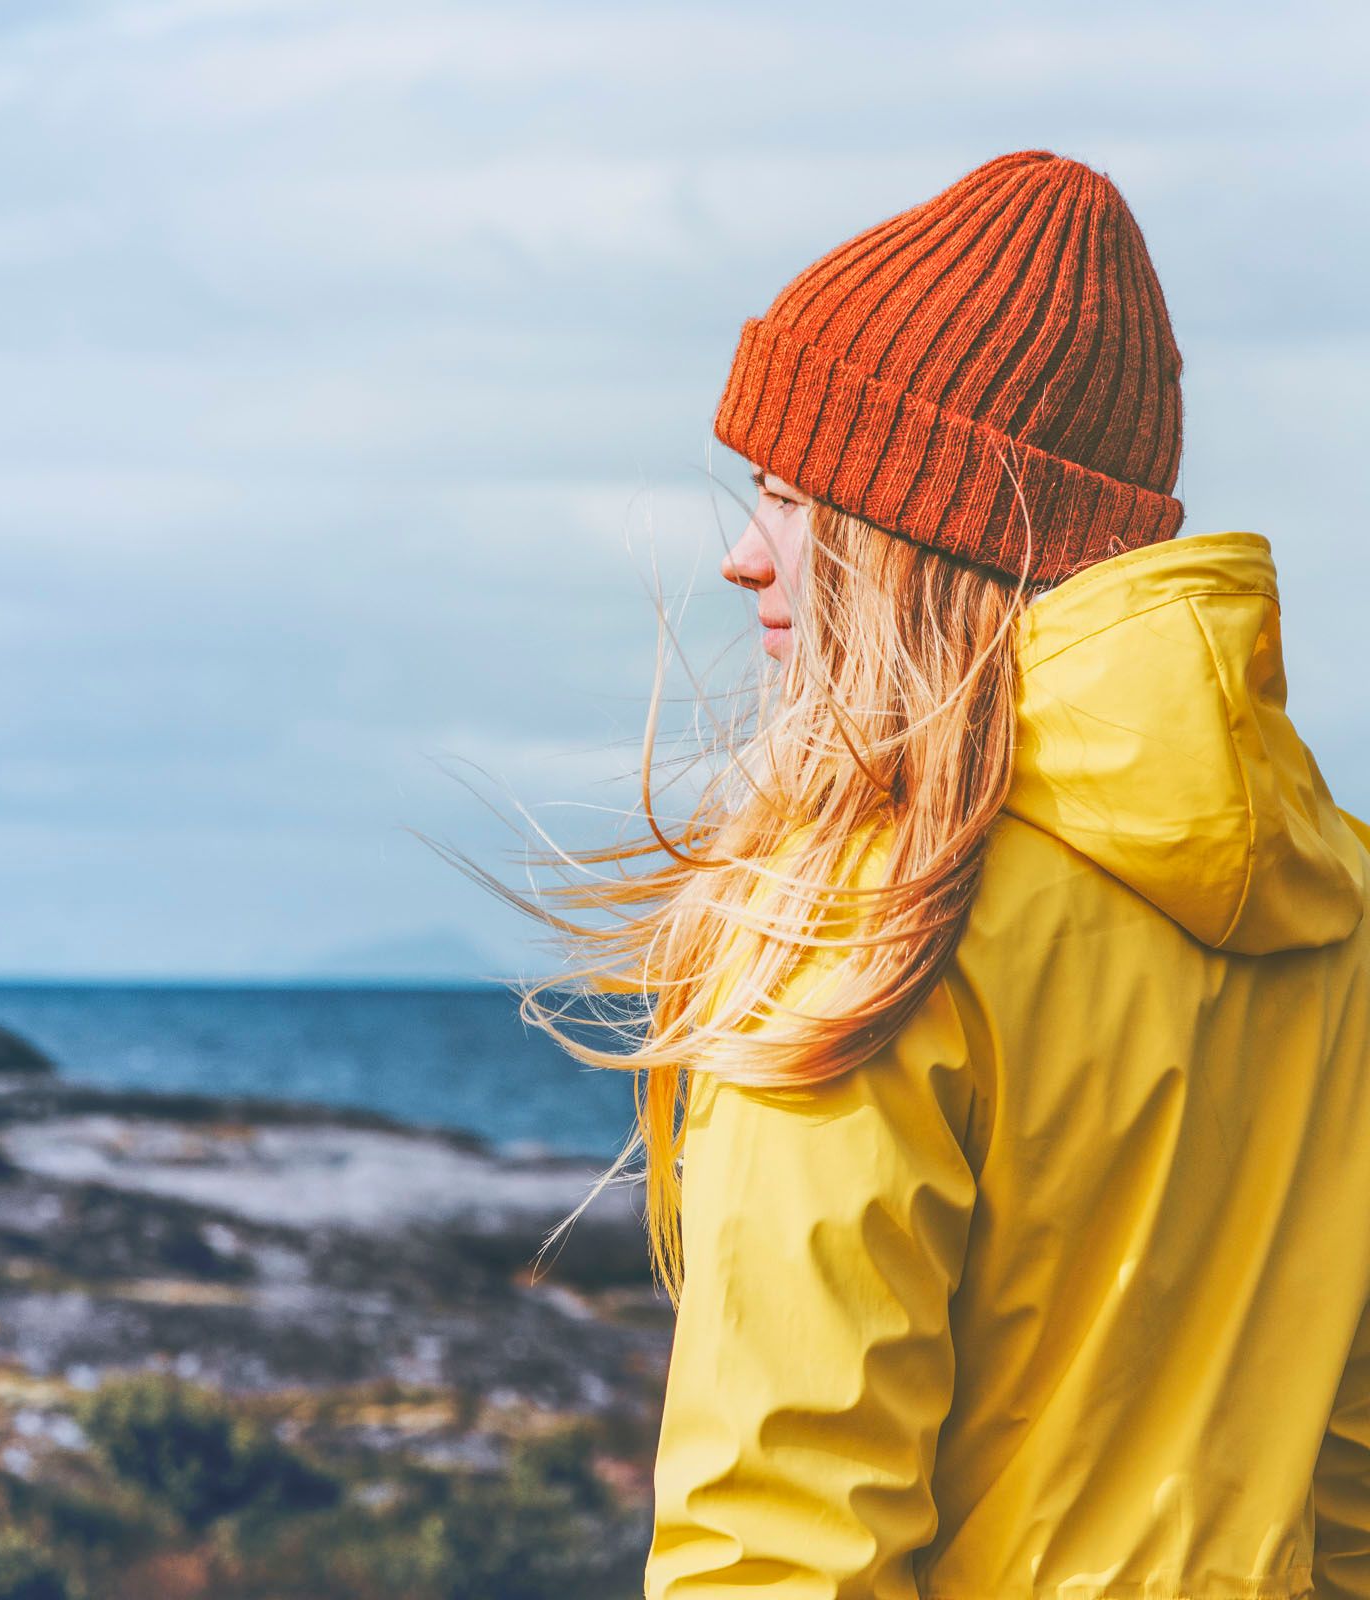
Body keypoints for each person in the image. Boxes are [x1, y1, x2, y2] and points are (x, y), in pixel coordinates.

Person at [507, 149, 1370, 1599]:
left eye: (785, 497)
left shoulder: (874, 916)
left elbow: (780, 1537)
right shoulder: (1336, 904)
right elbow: (1348, 1481)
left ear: (909, 527)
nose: (742, 557)